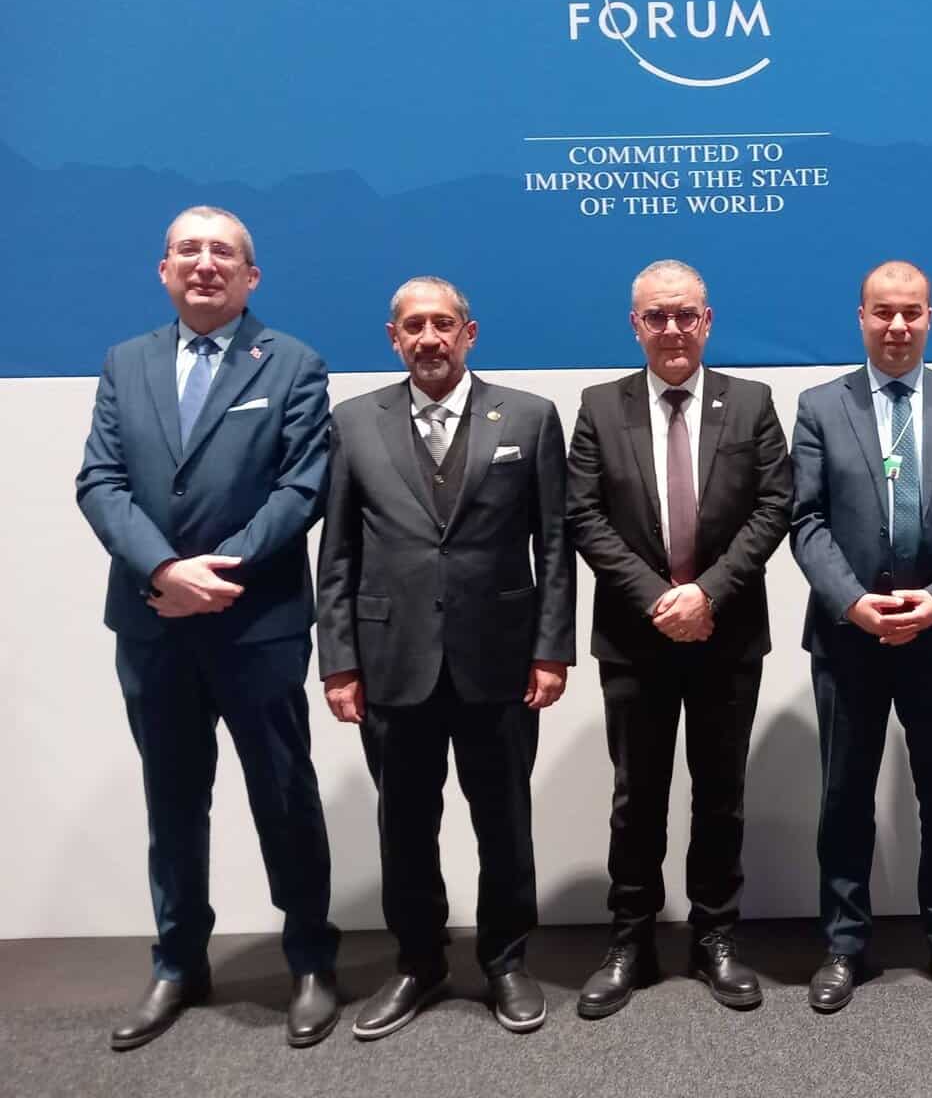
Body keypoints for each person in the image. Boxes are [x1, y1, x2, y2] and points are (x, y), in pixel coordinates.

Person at [76, 206, 341, 1049]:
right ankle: (178, 962)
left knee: (284, 795)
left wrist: (216, 574)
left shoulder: (294, 363)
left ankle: (310, 959)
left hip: (255, 622)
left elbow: (302, 488)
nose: (204, 263)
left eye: (222, 252)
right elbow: (101, 482)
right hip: (153, 621)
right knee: (173, 799)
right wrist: (164, 571)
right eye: (187, 250)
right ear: (163, 270)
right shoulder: (125, 363)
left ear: (250, 276)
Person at [316, 276, 575, 1039]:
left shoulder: (528, 417)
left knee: (504, 820)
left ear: (469, 333)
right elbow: (337, 551)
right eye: (413, 326)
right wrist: (338, 661)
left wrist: (551, 650)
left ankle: (506, 960)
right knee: (404, 823)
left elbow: (554, 546)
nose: (429, 338)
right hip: (391, 660)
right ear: (393, 338)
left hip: (500, 660)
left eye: (442, 324)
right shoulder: (353, 422)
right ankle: (418, 961)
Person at [566, 259, 792, 1017]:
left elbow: (774, 505)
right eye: (657, 317)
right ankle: (629, 940)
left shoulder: (751, 402)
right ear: (635, 324)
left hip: (728, 634)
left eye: (685, 315)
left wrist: (708, 594)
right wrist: (660, 599)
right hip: (635, 638)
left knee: (721, 795)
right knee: (637, 798)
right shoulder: (600, 407)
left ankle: (715, 937)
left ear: (708, 321)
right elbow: (583, 514)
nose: (672, 330)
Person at [790, 260, 932, 1014]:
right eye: (883, 312)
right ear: (861, 317)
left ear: (929, 318)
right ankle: (844, 944)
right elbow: (805, 519)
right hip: (848, 637)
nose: (897, 326)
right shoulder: (820, 406)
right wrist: (853, 603)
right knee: (844, 796)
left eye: (911, 312)